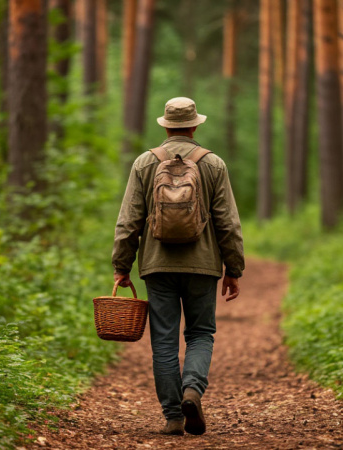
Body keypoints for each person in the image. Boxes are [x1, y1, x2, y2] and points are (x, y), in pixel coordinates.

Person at [112, 97, 245, 436]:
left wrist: (122, 265)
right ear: (195, 125)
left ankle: (173, 417)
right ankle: (192, 390)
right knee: (200, 333)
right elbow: (228, 222)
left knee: (164, 341)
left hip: (157, 266)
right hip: (203, 265)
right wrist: (234, 268)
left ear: (166, 126)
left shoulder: (144, 162)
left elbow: (128, 221)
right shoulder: (213, 164)